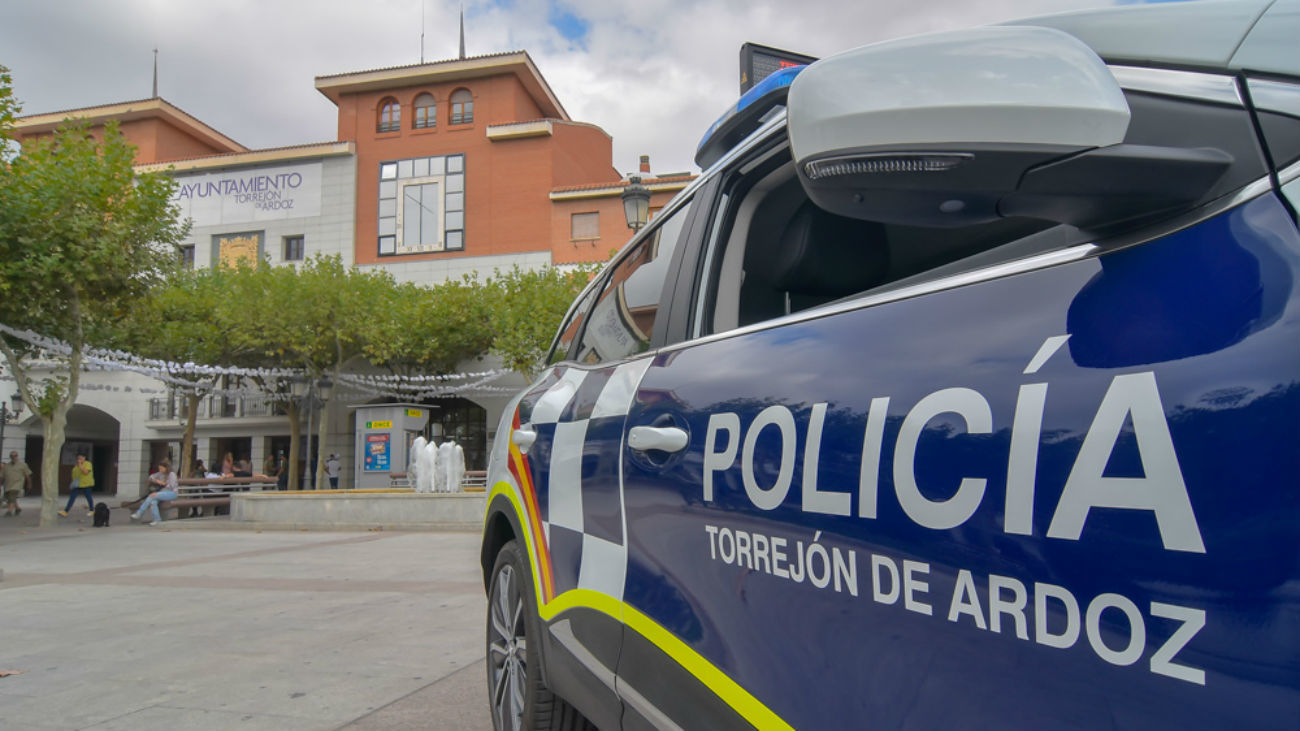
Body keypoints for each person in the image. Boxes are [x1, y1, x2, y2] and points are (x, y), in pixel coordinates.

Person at [131, 462, 178, 526]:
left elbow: (171, 486)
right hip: (161, 493)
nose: (160, 470)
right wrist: (154, 480)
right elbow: (151, 476)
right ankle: (157, 519)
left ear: (166, 468)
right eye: (159, 469)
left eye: (161, 468)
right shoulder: (160, 474)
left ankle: (140, 513)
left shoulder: (171, 474)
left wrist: (162, 483)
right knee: (153, 502)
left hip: (171, 493)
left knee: (152, 496)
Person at [3, 451, 32, 517]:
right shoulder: (7, 466)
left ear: (17, 456)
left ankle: (9, 511)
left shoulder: (23, 465)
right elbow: (3, 476)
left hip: (18, 483)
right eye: (12, 456)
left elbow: (27, 475)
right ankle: (17, 508)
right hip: (8, 484)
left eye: (15, 456)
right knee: (9, 496)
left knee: (12, 495)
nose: (13, 457)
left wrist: (29, 484)